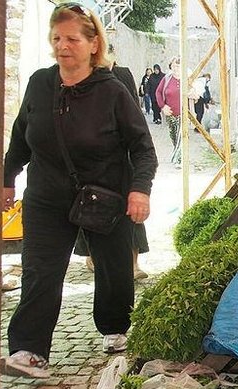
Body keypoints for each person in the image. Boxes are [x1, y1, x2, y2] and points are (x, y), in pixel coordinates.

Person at [0, 3, 157, 378]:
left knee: (113, 268)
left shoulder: (112, 90)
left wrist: (139, 190)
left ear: (93, 44)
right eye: (57, 38)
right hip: (46, 196)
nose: (62, 46)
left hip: (104, 195)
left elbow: (143, 148)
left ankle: (115, 327)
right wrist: (6, 179)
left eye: (72, 38)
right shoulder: (40, 83)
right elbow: (21, 136)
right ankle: (29, 351)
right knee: (39, 270)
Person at [74, 49, 151, 281]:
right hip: (88, 159)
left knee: (130, 210)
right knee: (87, 206)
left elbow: (134, 114)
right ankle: (91, 256)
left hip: (121, 155)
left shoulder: (121, 74)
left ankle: (133, 263)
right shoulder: (77, 76)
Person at [156, 56, 182, 163]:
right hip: (170, 114)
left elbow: (193, 92)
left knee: (181, 137)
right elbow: (158, 92)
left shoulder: (186, 79)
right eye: (174, 66)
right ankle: (177, 154)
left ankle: (179, 159)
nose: (176, 68)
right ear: (171, 67)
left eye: (178, 66)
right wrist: (163, 106)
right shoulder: (166, 79)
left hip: (183, 114)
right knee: (174, 137)